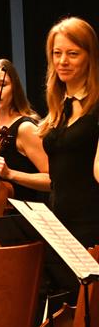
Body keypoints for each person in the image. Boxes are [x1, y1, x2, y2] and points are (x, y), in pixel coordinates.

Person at [39, 16, 99, 281]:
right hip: (59, 228)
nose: (62, 61)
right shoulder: (59, 108)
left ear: (90, 57)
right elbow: (56, 177)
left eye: (72, 54)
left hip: (91, 225)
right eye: (57, 53)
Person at [0, 59, 49, 235]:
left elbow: (53, 180)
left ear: (14, 88)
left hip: (20, 231)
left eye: (2, 84)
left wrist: (11, 174)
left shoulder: (25, 128)